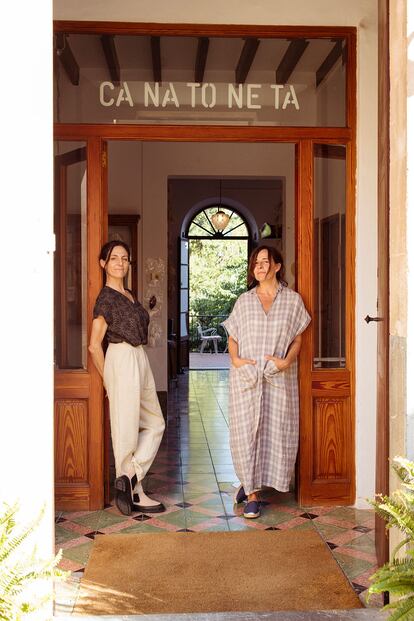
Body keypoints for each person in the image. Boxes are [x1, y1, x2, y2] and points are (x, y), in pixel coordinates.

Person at [223, 245, 310, 519]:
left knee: (274, 432)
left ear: (277, 266)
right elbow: (233, 335)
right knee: (246, 434)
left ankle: (251, 485)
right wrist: (236, 360)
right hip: (247, 378)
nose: (259, 267)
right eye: (256, 263)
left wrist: (285, 361)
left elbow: (298, 336)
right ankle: (250, 494)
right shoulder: (244, 301)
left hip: (277, 378)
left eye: (264, 262)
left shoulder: (293, 301)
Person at [88, 240, 165, 516]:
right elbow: (94, 345)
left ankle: (129, 478)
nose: (121, 263)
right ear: (103, 264)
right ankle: (136, 491)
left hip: (138, 356)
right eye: (114, 258)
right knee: (126, 429)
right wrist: (110, 381)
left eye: (125, 258)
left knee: (156, 422)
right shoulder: (105, 299)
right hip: (120, 358)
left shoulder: (130, 294)